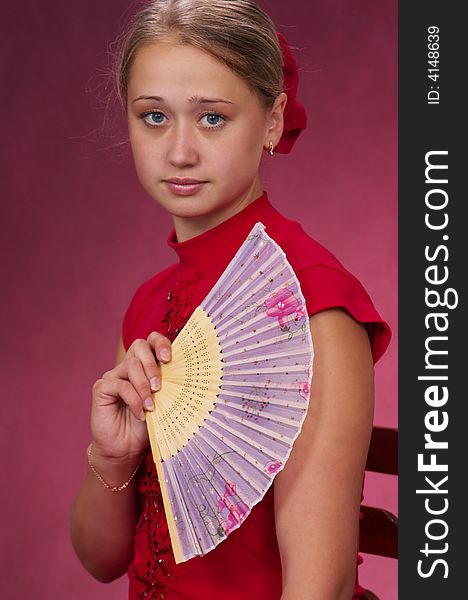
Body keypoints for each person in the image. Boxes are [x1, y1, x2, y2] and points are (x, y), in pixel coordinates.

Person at [70, 1, 392, 598]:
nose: (180, 151)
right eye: (154, 117)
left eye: (212, 118)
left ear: (272, 121)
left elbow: (316, 591)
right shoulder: (151, 302)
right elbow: (99, 559)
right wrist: (113, 459)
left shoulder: (312, 305)